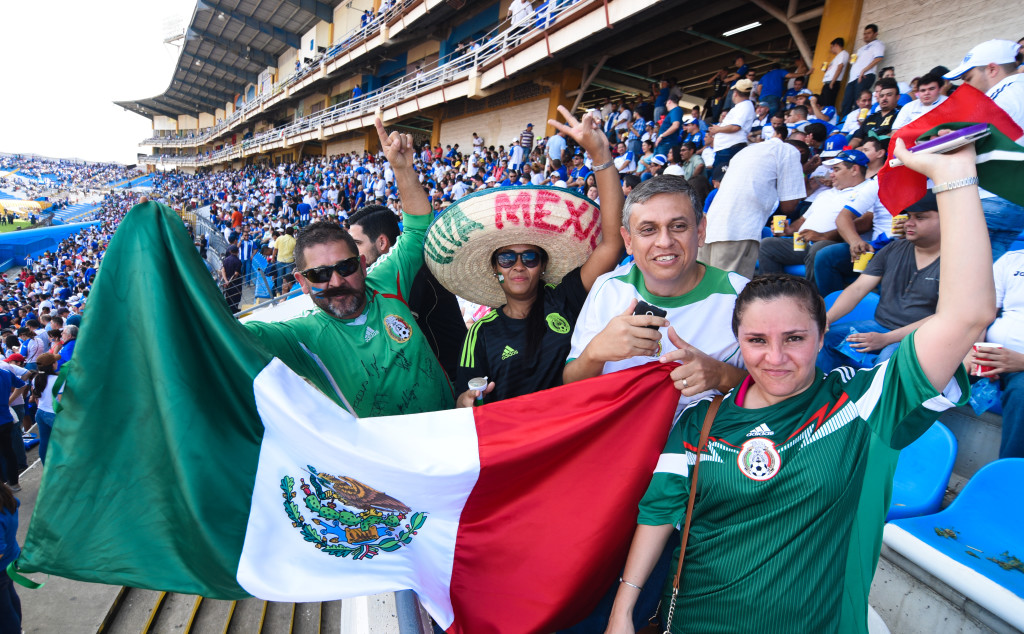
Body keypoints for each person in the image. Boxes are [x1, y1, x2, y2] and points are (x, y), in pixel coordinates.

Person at [605, 138, 992, 634]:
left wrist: (956, 178)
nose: (776, 358)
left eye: (794, 338)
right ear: (737, 342)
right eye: (757, 341)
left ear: (822, 335)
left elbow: (968, 315)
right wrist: (622, 614)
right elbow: (660, 511)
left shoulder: (864, 404)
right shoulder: (701, 423)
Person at [245, 119, 454, 417]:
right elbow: (224, 335)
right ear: (302, 283)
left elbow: (418, 230)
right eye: (319, 274)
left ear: (363, 264)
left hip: (454, 437)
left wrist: (402, 169)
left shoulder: (386, 283)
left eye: (345, 267)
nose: (336, 281)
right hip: (391, 462)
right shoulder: (302, 336)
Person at [443, 106, 625, 405]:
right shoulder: (480, 333)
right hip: (513, 445)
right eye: (506, 258)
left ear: (541, 266)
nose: (518, 266)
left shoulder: (564, 297)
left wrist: (601, 156)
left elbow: (612, 244)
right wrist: (465, 400)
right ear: (495, 269)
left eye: (529, 257)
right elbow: (463, 397)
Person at [818, 193, 941, 373]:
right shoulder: (893, 249)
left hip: (919, 338)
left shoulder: (955, 260)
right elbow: (857, 289)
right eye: (908, 216)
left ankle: (876, 401)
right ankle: (826, 397)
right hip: (879, 326)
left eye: (920, 217)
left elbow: (942, 317)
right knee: (822, 340)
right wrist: (826, 320)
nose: (908, 223)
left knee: (886, 364)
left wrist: (887, 339)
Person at [346, 205, 465, 383]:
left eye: (357, 244)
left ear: (381, 243)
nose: (352, 254)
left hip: (452, 381)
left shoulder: (416, 277)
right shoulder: (400, 275)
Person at [943, 39, 1024, 260]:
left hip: (992, 197)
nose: (965, 87)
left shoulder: (1001, 96)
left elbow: (965, 142)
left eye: (968, 78)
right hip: (1014, 199)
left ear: (992, 69)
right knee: (991, 282)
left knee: (961, 275)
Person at [701, 138, 809, 279]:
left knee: (705, 290)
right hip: (738, 232)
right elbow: (788, 206)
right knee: (729, 293)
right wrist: (803, 173)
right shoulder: (789, 151)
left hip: (710, 230)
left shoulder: (748, 150)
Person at [968, 248, 1024, 459]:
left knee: (1022, 391)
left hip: (1021, 366)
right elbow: (981, 314)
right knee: (933, 362)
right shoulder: (1013, 259)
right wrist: (973, 352)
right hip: (989, 353)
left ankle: (1009, 478)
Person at [708, 78, 755, 185]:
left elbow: (735, 127)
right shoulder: (743, 106)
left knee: (720, 180)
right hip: (727, 148)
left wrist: (718, 129)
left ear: (735, 93)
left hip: (730, 148)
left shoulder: (745, 106)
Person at [841, 24, 885, 117]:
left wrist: (864, 70)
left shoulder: (878, 44)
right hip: (853, 79)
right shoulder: (861, 49)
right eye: (864, 33)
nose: (866, 35)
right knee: (846, 103)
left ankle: (858, 123)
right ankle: (844, 124)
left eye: (869, 33)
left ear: (875, 34)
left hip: (865, 75)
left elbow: (879, 58)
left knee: (859, 102)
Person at [0, 482, 22, 633]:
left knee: (3, 612)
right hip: (11, 560)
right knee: (10, 596)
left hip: (1, 567)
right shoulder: (7, 499)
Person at [31, 353, 60, 464]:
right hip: (54, 414)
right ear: (52, 365)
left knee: (44, 441)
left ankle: (46, 467)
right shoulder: (57, 379)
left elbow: (37, 397)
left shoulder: (36, 378)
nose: (57, 363)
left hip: (40, 412)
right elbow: (61, 400)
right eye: (55, 362)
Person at [818, 37, 849, 108]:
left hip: (832, 82)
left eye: (832, 47)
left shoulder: (843, 54)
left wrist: (832, 82)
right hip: (827, 82)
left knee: (828, 104)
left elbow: (840, 68)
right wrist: (825, 69)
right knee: (823, 103)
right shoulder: (836, 57)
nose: (831, 49)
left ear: (836, 45)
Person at [220, 245, 243, 313]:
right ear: (238, 252)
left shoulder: (225, 260)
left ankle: (230, 312)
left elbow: (223, 271)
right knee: (236, 298)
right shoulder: (238, 261)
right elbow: (236, 274)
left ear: (230, 251)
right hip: (235, 283)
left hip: (227, 283)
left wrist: (226, 281)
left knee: (228, 298)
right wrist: (230, 281)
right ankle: (235, 312)